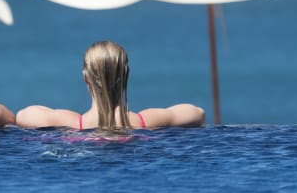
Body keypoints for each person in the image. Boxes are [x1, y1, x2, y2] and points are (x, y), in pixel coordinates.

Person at [16, 41, 205, 131]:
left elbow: (22, 115)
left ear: (85, 78)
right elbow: (197, 113)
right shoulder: (145, 121)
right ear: (126, 75)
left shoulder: (71, 124)